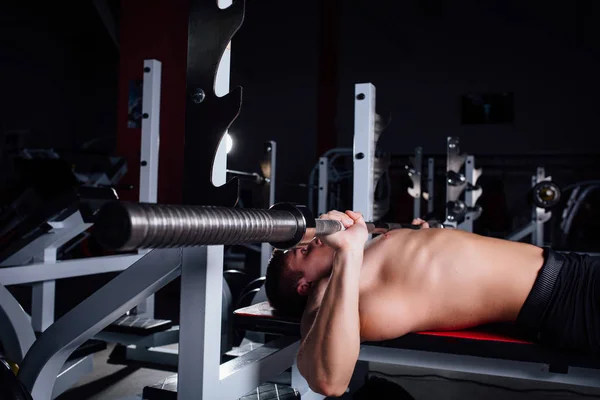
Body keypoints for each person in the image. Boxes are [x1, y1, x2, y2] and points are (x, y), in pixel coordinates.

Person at [264, 209, 600, 397]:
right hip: (567, 300)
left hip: (572, 268)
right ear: (304, 287)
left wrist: (417, 233)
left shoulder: (358, 260)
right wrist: (349, 251)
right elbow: (327, 380)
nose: (316, 243)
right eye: (305, 252)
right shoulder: (337, 294)